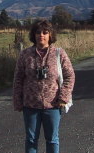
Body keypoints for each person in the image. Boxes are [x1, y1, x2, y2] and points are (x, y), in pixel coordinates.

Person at [13, 20, 75, 153]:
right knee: (31, 140)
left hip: (53, 105)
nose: (41, 35)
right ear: (33, 35)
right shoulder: (25, 54)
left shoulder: (59, 53)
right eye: (38, 32)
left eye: (45, 32)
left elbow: (70, 76)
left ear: (50, 35)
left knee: (52, 140)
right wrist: (18, 100)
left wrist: (63, 97)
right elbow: (18, 79)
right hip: (30, 105)